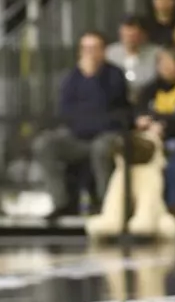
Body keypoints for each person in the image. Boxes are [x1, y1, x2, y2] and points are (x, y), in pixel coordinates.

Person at [32, 32, 128, 217]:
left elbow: (108, 108)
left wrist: (92, 78)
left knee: (101, 148)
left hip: (107, 135)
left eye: (94, 48)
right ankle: (61, 202)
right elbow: (66, 112)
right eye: (85, 49)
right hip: (78, 136)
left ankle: (107, 205)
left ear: (103, 51)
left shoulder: (114, 75)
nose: (90, 53)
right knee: (45, 144)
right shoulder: (72, 77)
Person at [134, 49, 175, 210]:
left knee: (171, 150)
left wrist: (163, 127)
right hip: (150, 136)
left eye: (171, 63)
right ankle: (143, 205)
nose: (167, 67)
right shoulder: (148, 89)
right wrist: (144, 122)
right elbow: (139, 112)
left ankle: (174, 204)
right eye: (162, 63)